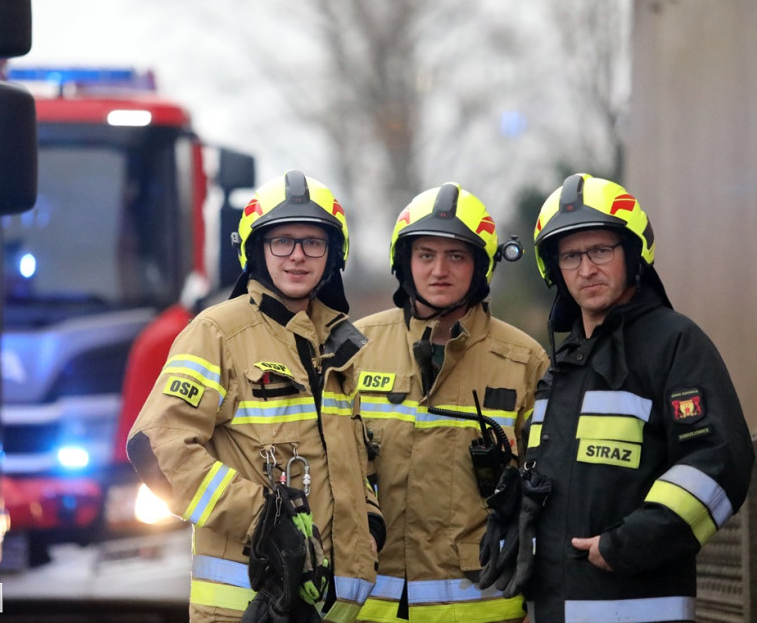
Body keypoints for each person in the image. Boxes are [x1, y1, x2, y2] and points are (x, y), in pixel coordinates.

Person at [126, 170, 383, 623]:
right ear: (257, 251)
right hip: (246, 607)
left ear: (333, 253)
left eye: (312, 242)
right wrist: (261, 518)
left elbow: (352, 455)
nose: (297, 256)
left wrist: (369, 518)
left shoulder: (340, 346)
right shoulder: (217, 332)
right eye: (282, 241)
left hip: (336, 610)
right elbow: (156, 444)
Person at [506, 172, 754, 622]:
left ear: (633, 253)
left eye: (601, 250)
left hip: (643, 607)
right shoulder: (561, 366)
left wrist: (627, 544)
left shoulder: (675, 343)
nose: (586, 268)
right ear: (554, 269)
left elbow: (719, 461)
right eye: (570, 256)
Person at [353, 183, 549, 623]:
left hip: (480, 607)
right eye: (425, 255)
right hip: (368, 605)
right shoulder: (354, 348)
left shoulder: (524, 361)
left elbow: (550, 488)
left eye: (456, 256)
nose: (439, 270)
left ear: (480, 266)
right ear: (404, 263)